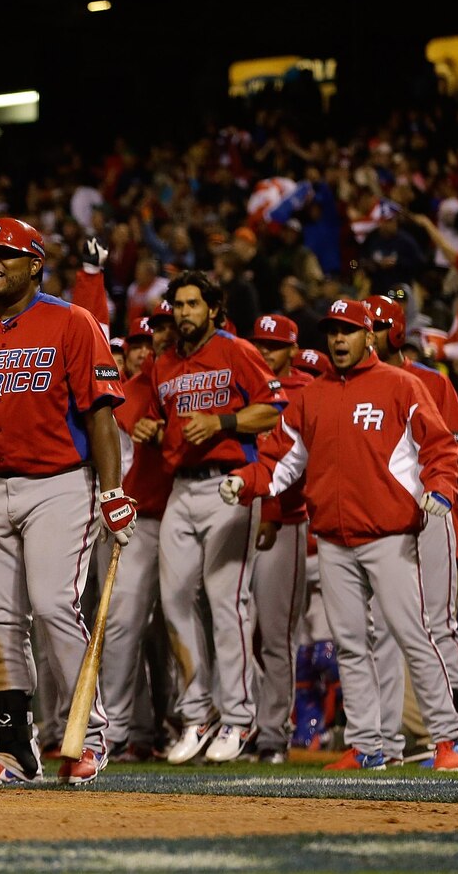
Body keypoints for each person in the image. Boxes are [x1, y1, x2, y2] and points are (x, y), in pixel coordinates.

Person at [221, 299, 458, 771]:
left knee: (414, 635)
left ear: (368, 337)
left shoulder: (402, 385)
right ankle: (367, 744)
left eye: (347, 331)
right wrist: (247, 481)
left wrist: (439, 489)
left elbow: (439, 446)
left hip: (389, 535)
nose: (337, 339)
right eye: (332, 331)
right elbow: (281, 460)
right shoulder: (311, 396)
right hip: (333, 539)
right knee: (351, 644)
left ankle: (448, 740)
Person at [0, 217, 131, 787]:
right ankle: (14, 752)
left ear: (35, 264)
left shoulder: (71, 322)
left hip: (61, 484)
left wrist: (113, 489)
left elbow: (101, 410)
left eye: (5, 253)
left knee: (53, 605)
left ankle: (87, 738)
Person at [134, 271, 286, 764]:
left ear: (214, 310)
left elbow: (272, 411)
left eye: (193, 304)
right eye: (177, 304)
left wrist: (222, 422)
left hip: (230, 484)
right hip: (182, 487)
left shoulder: (236, 350)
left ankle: (239, 719)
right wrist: (153, 430)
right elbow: (165, 423)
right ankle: (197, 713)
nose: (183, 313)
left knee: (228, 603)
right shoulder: (164, 364)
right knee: (174, 602)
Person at [364, 295, 458, 764]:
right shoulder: (356, 386)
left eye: (373, 328)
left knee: (438, 624)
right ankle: (390, 742)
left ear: (393, 332)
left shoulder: (434, 381)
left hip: (435, 517)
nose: (365, 337)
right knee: (386, 631)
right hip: (384, 522)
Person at [100, 317, 174, 762]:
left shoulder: (184, 381)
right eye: (139, 342)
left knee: (179, 630)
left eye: (154, 340)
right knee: (125, 625)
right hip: (141, 518)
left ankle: (182, 726)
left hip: (182, 509)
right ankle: (120, 729)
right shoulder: (127, 394)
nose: (147, 349)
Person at [243, 314, 314, 764]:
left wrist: (272, 512)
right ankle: (244, 723)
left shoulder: (306, 390)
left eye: (275, 345)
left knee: (275, 634)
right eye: (260, 343)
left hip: (286, 518)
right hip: (240, 512)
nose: (265, 351)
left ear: (292, 349)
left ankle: (273, 731)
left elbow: (300, 466)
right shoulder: (246, 385)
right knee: (236, 632)